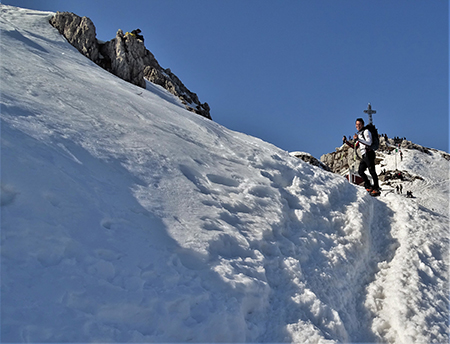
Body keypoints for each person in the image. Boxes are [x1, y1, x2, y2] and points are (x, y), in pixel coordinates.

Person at [343, 118, 380, 196]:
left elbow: (369, 143)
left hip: (369, 153)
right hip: (364, 155)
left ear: (363, 125)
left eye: (359, 124)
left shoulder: (366, 131)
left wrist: (358, 139)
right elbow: (355, 146)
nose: (358, 126)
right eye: (356, 124)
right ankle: (369, 186)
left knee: (372, 171)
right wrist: (346, 142)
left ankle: (376, 188)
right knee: (360, 171)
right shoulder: (359, 134)